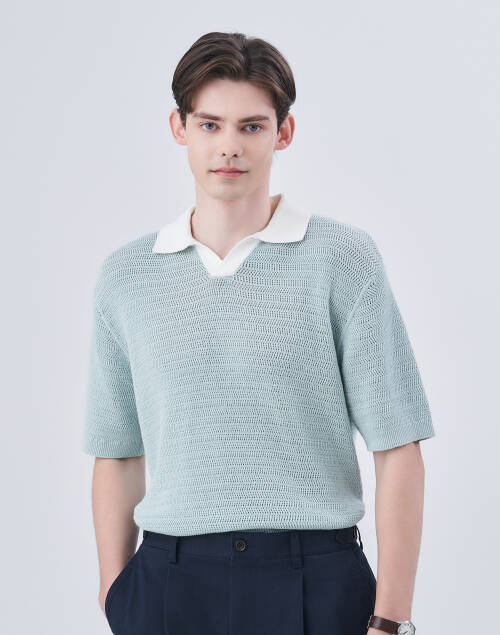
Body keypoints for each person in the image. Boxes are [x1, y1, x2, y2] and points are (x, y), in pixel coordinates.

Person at [82, 31, 435, 635]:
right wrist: (116, 595)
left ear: (283, 132)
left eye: (251, 126)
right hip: (168, 583)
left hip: (315, 578)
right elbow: (116, 449)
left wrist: (390, 619)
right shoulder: (128, 275)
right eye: (209, 124)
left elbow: (398, 443)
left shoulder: (342, 259)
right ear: (179, 128)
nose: (229, 146)